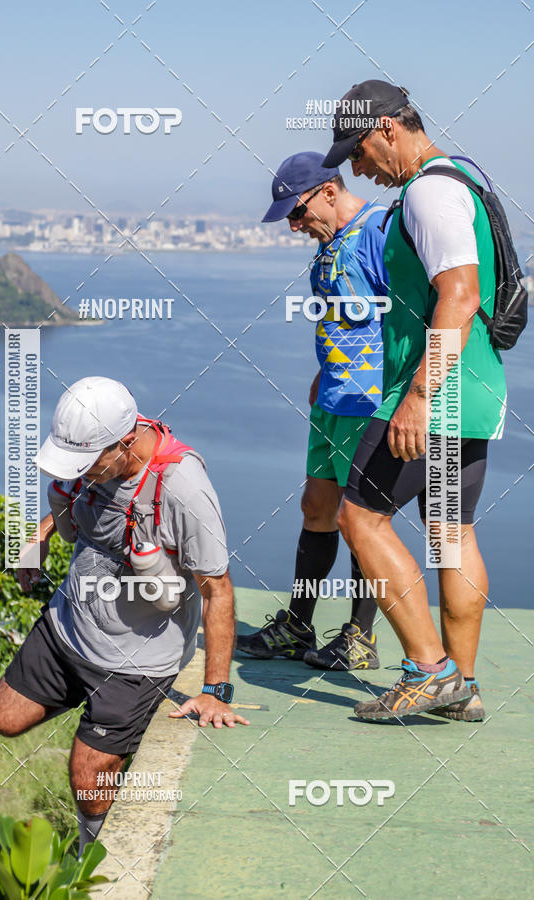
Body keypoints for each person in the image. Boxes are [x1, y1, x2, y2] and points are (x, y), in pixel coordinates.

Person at [0, 376, 248, 855]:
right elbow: (77, 497)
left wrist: (215, 691)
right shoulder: (96, 462)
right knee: (5, 716)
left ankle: (94, 853)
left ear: (125, 443)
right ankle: (105, 727)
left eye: (87, 464)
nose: (79, 473)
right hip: (70, 624)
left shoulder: (183, 489)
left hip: (136, 659)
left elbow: (217, 591)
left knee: (87, 776)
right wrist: (43, 533)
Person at [323, 79, 506, 721]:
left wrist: (419, 395)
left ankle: (428, 672)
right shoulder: (461, 180)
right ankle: (464, 685)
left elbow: (460, 294)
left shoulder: (428, 192)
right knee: (449, 534)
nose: (358, 168)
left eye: (360, 151)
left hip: (435, 392)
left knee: (359, 519)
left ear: (390, 130)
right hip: (474, 391)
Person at [237, 151, 389, 670]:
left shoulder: (379, 233)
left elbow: (408, 318)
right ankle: (299, 625)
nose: (294, 226)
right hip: (332, 399)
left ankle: (359, 638)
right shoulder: (328, 246)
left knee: (361, 521)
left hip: (367, 403)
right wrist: (325, 370)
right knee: (316, 508)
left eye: (298, 213)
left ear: (329, 190)